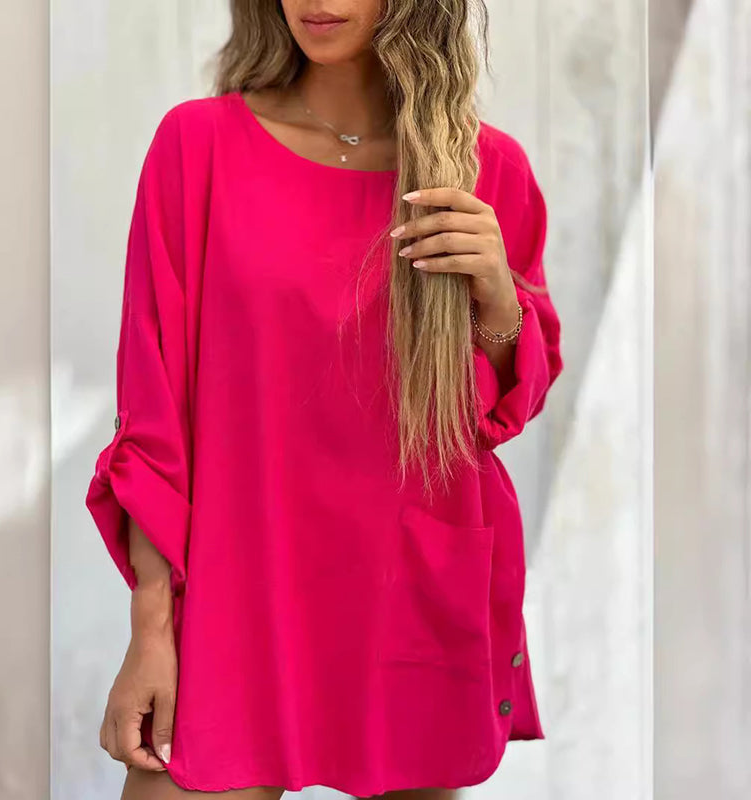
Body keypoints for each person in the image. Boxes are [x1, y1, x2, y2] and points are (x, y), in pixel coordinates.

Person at [85, 1, 564, 798]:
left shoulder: (485, 170)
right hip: (240, 597)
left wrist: (497, 298)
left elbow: (503, 408)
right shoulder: (197, 147)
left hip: (411, 590)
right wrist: (151, 629)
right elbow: (153, 411)